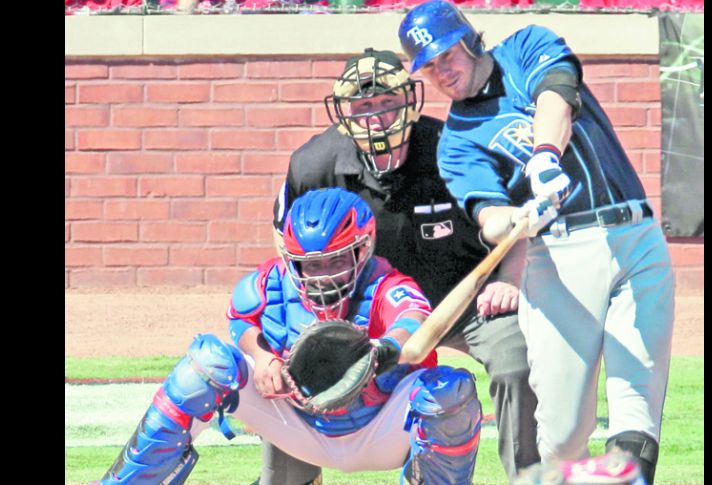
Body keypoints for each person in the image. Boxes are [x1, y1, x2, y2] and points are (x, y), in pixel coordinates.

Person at [398, 3, 675, 484]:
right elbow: (488, 217)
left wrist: (544, 158)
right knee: (562, 435)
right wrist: (519, 218)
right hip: (560, 258)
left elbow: (557, 97)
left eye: (447, 55)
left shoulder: (526, 46)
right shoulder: (456, 141)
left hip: (635, 234)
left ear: (468, 40)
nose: (442, 71)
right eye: (430, 65)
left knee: (637, 405)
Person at [268, 47, 540, 484]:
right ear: (343, 111)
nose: (375, 116)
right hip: (366, 307)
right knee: (293, 353)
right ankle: (290, 479)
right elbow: (287, 242)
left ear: (410, 101)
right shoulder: (314, 165)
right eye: (363, 105)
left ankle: (531, 476)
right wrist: (313, 310)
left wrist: (507, 280)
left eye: (387, 102)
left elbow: (516, 218)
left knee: (517, 361)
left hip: (464, 299)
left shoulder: (454, 150)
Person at [96, 187, 483, 485]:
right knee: (206, 364)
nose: (323, 275)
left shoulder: (387, 284)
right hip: (300, 425)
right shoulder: (271, 283)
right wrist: (262, 357)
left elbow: (413, 319)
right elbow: (240, 319)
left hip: (377, 430)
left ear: (362, 249)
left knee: (449, 391)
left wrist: (385, 348)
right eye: (311, 265)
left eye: (336, 259)